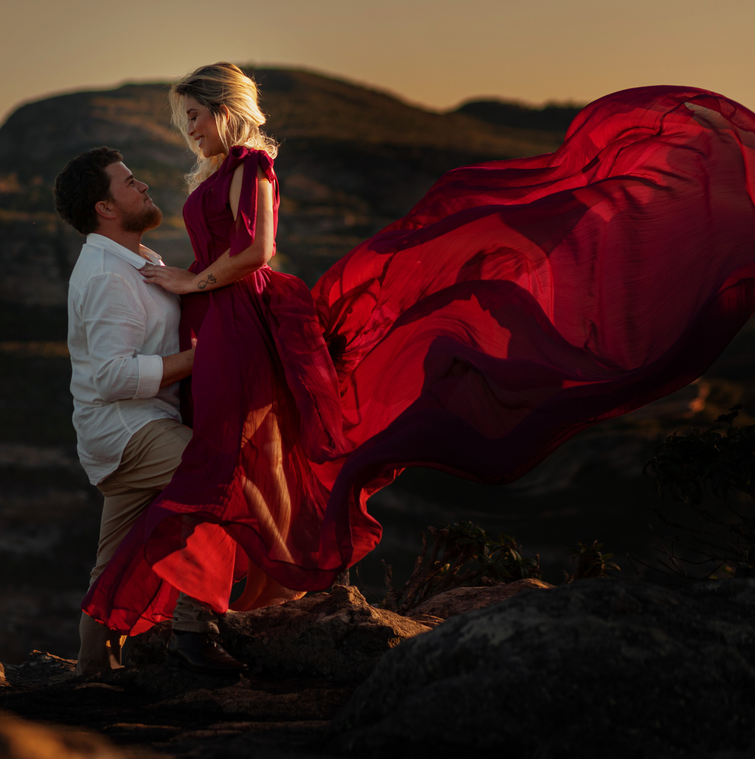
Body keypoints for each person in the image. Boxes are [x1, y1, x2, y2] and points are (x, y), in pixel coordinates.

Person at [82, 64, 755, 638]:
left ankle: (189, 618)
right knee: (238, 461)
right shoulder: (216, 171)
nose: (188, 129)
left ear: (227, 110)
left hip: (240, 319)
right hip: (219, 322)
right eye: (184, 121)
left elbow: (257, 251)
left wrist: (188, 279)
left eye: (195, 115)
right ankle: (211, 615)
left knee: (229, 461)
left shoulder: (253, 164)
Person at [54, 147, 248, 674]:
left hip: (132, 430)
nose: (143, 187)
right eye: (129, 182)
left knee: (114, 557)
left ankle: (91, 667)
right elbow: (113, 377)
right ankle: (191, 633)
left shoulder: (142, 262)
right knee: (222, 479)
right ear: (106, 209)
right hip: (129, 429)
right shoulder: (107, 277)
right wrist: (203, 358)